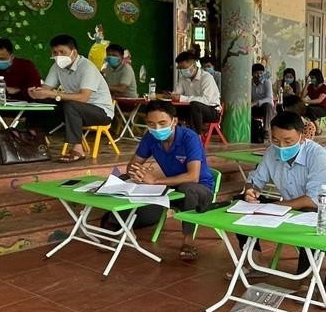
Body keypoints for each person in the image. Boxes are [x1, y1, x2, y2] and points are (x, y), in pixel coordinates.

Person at [242, 112, 326, 297]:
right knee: (241, 203)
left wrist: (279, 206)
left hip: (322, 207)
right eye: (276, 140)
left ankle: (307, 278)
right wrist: (251, 191)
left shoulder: (316, 153)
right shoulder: (272, 151)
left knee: (309, 214)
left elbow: (314, 198)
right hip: (288, 205)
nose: (281, 146)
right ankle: (255, 261)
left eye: (288, 141)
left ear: (302, 137)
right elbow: (255, 180)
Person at [103, 100, 215, 260]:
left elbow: (193, 176)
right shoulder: (150, 137)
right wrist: (138, 173)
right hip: (171, 187)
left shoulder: (189, 138)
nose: (157, 129)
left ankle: (188, 241)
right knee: (124, 178)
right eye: (151, 124)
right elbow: (132, 166)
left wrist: (155, 181)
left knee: (188, 188)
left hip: (200, 190)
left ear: (174, 121)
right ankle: (116, 225)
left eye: (162, 123)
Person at [28, 34, 114, 163]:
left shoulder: (87, 67)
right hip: (75, 110)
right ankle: (35, 140)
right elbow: (46, 89)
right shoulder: (56, 67)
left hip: (100, 112)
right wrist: (37, 93)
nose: (58, 56)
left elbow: (83, 98)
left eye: (62, 52)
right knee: (41, 102)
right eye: (55, 52)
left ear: (74, 53)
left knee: (71, 105)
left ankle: (78, 150)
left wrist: (53, 94)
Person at [172, 51, 220, 135]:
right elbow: (177, 93)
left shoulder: (206, 78)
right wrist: (173, 96)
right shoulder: (183, 79)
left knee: (195, 105)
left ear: (193, 65)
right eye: (180, 69)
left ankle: (195, 136)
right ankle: (174, 134)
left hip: (211, 110)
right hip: (191, 109)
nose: (182, 71)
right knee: (171, 107)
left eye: (184, 68)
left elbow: (206, 100)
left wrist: (182, 98)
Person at [251, 63, 274, 138]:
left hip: (265, 107)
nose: (259, 75)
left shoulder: (267, 82)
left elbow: (269, 98)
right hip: (254, 107)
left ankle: (266, 130)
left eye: (261, 73)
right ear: (252, 74)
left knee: (268, 106)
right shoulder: (249, 83)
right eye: (256, 73)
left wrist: (256, 102)